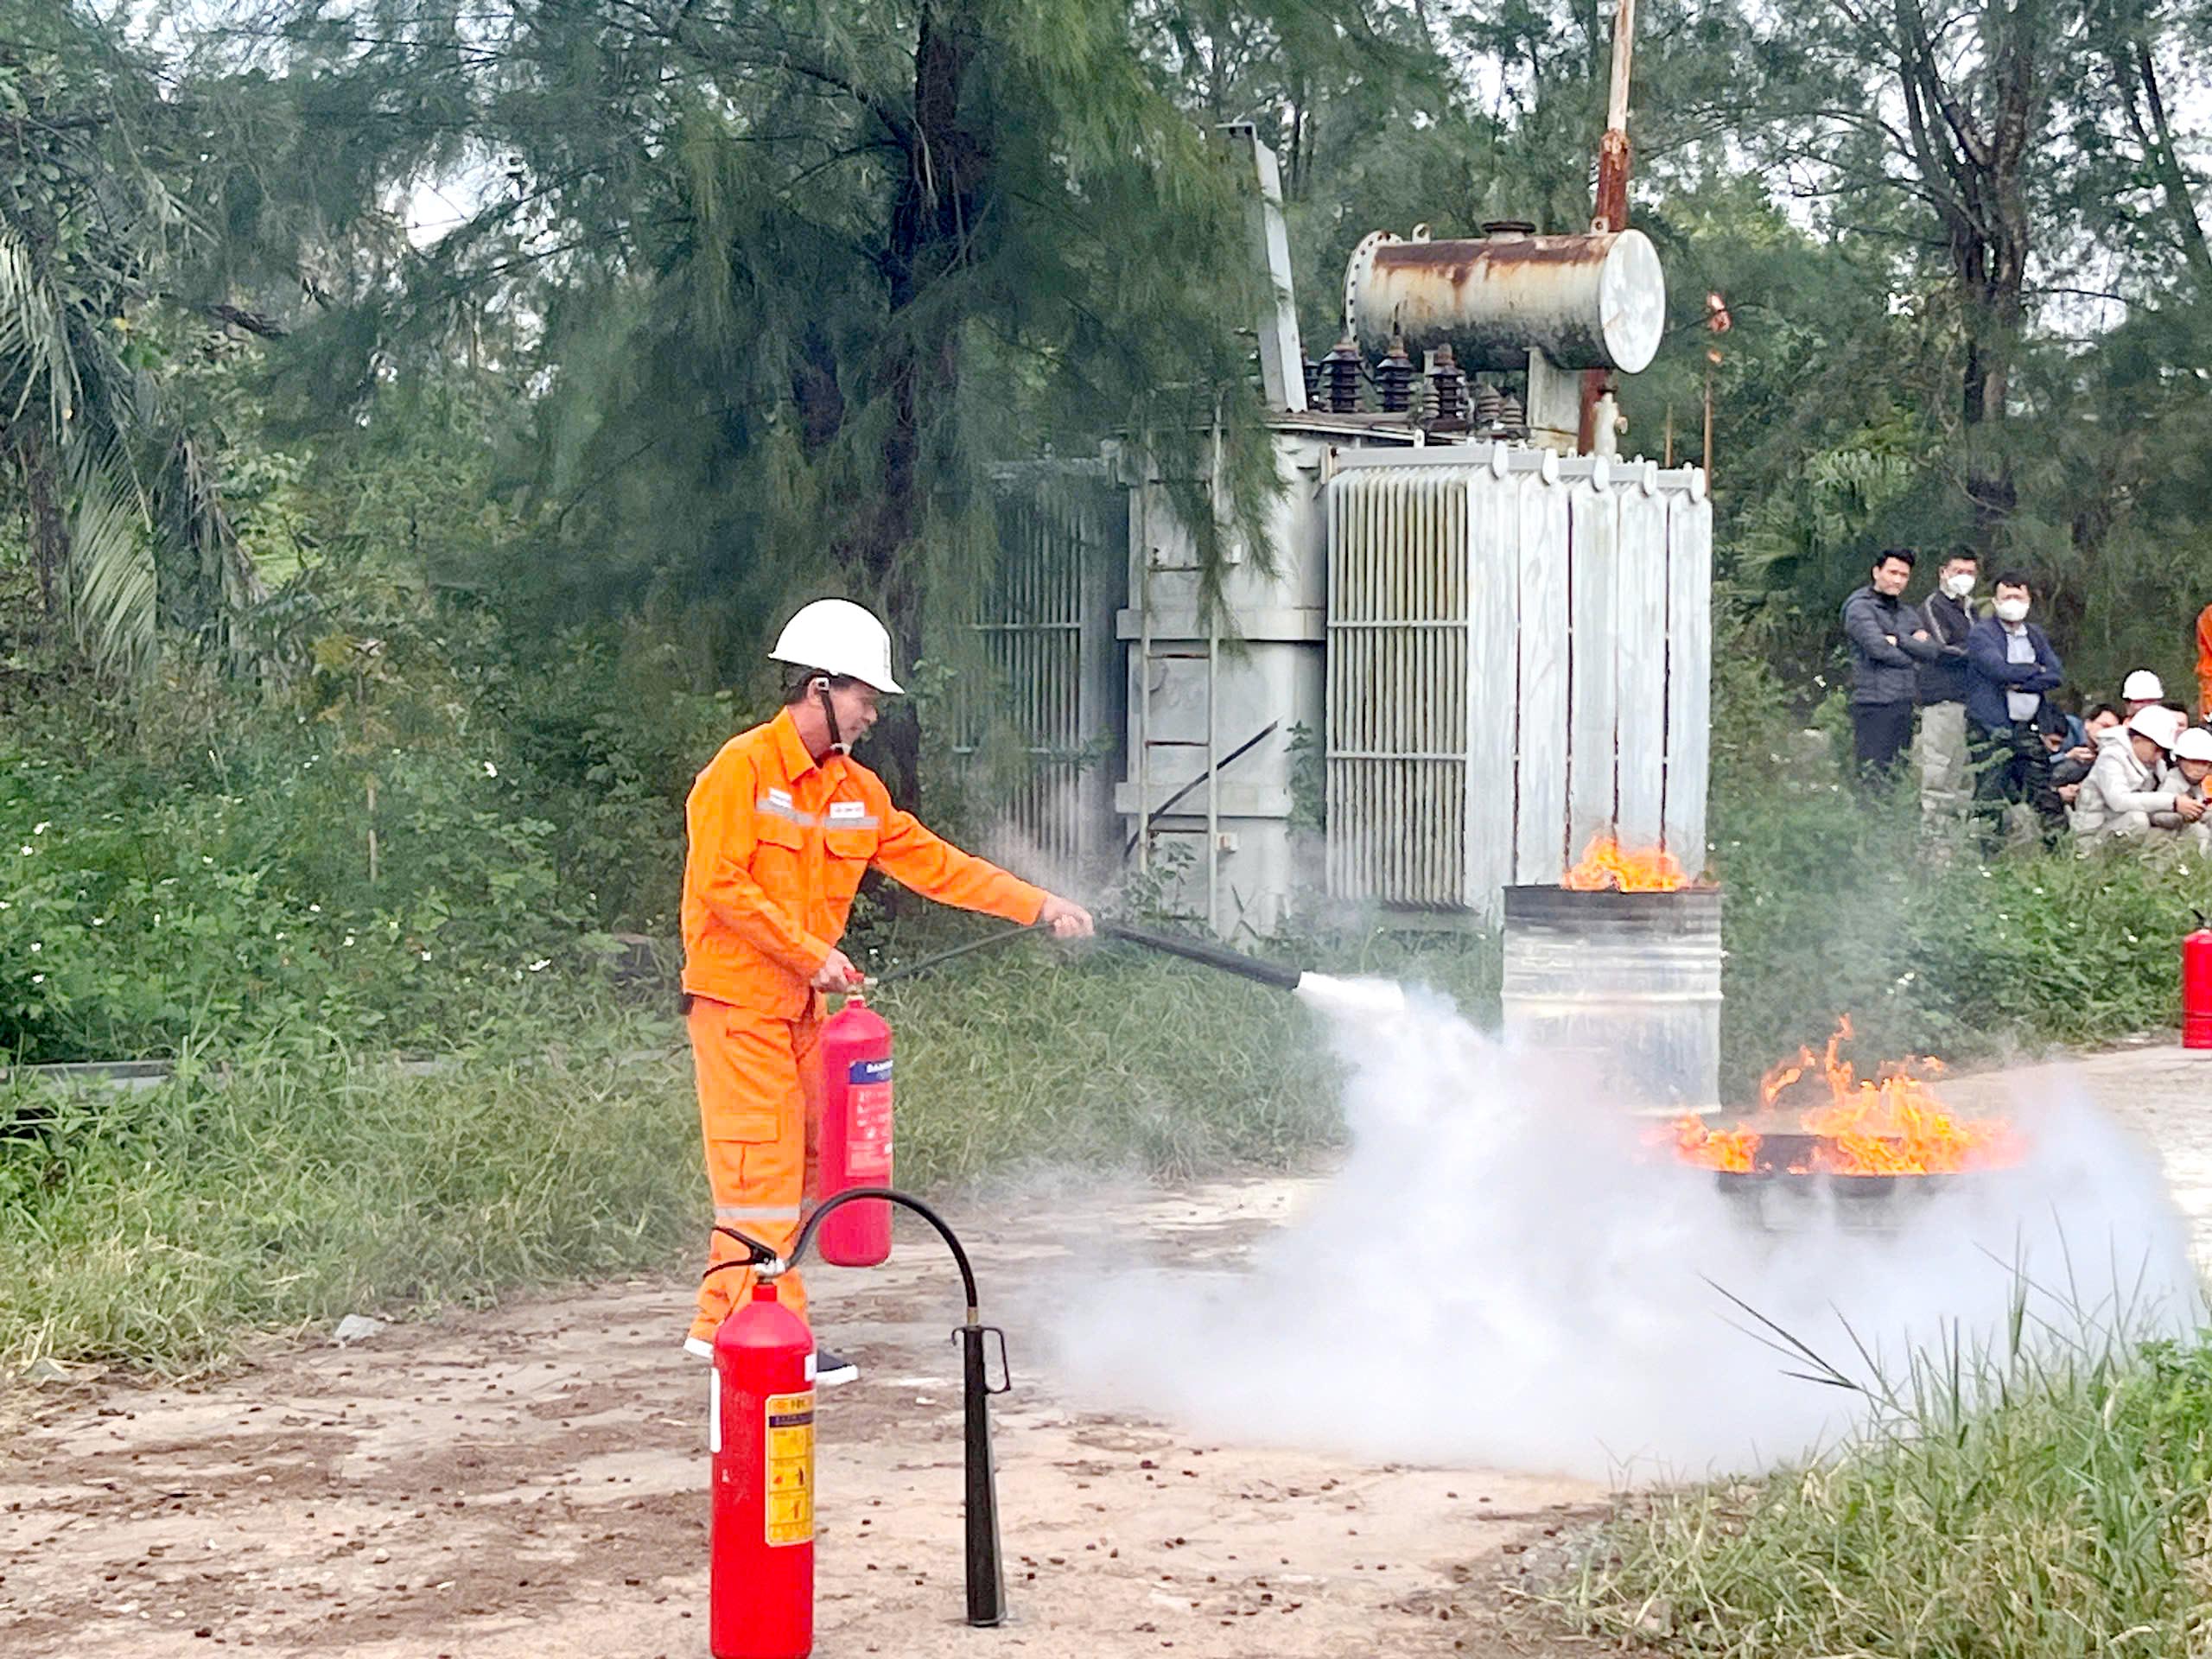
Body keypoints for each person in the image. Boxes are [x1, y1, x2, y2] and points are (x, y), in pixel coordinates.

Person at [680, 598, 1095, 1376]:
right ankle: (778, 1336)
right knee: (760, 1173)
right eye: (865, 698)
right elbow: (721, 888)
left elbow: (937, 865)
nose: (872, 714)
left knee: (800, 1166)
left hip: (800, 1009)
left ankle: (720, 1321)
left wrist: (1039, 904)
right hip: (737, 1006)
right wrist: (811, 954)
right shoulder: (739, 772)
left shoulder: (855, 792)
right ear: (818, 688)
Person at [1964, 571, 2066, 849]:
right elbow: (1997, 670)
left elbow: (2056, 674)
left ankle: (2057, 854)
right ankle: (1987, 858)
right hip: (1991, 728)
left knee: (2044, 793)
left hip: (2028, 728)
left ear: (2028, 600)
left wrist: (2020, 681)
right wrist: (2035, 671)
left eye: (2018, 597)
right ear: (1995, 602)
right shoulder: (1982, 633)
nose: (2012, 602)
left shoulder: (2035, 635)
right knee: (1990, 795)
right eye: (2006, 597)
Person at [1841, 549, 1938, 783]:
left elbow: (1932, 651)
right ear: (1877, 572)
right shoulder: (1859, 608)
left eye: (1904, 575)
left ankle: (1891, 820)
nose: (1898, 580)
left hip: (1903, 703)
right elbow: (1878, 649)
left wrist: (1898, 639)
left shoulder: (1907, 612)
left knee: (1897, 775)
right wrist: (1912, 656)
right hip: (1873, 703)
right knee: (1872, 775)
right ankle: (1867, 821)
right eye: (1892, 572)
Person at [1914, 549, 1979, 827]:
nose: (1964, 578)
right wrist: (1980, 654)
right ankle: (1934, 839)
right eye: (1958, 571)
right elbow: (1941, 649)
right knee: (1938, 772)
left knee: (1964, 774)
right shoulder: (1933, 606)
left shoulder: (1971, 609)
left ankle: (1959, 842)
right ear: (1943, 572)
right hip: (1942, 700)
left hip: (1969, 701)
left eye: (1970, 573)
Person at [2072, 707, 2196, 842]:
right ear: (2137, 740)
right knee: (2137, 820)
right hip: (2091, 834)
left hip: (2120, 828)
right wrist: (2172, 802)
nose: (2160, 755)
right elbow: (2119, 801)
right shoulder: (2111, 757)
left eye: (2163, 751)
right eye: (2156, 749)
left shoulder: (2156, 764)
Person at [2156, 726, 2212, 849]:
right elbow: (2156, 816)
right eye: (2193, 761)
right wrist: (2182, 816)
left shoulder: (2196, 785)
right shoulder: (2173, 782)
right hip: (2166, 837)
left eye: (2204, 764)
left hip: (2184, 832)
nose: (2198, 769)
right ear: (2179, 760)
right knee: (2198, 831)